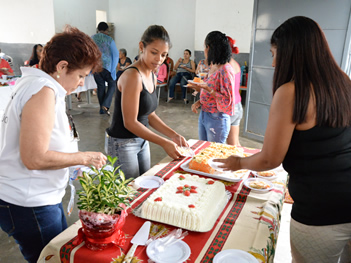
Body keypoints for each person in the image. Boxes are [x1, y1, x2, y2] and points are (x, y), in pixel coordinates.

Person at [214, 16, 351, 263]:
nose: (275, 62)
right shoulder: (344, 82)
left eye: (275, 53)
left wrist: (238, 163)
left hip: (320, 210)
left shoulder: (292, 92)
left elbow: (269, 159)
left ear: (292, 53)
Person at [0, 26, 107, 263]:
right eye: (80, 76)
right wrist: (84, 158)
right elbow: (34, 158)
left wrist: (70, 163)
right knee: (51, 258)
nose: (81, 83)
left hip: (40, 196)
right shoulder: (43, 91)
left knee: (58, 251)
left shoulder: (40, 86)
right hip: (29, 202)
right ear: (61, 67)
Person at [106, 25, 188, 179]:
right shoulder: (132, 76)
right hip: (123, 143)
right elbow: (130, 122)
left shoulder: (151, 75)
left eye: (164, 55)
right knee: (129, 193)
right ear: (141, 47)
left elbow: (149, 115)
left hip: (142, 140)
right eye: (154, 53)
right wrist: (164, 142)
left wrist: (173, 135)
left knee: (142, 186)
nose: (159, 60)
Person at [189, 31, 235, 143]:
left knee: (214, 156)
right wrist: (200, 101)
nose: (204, 50)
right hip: (205, 114)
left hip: (217, 118)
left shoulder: (225, 70)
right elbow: (212, 92)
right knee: (203, 150)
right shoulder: (213, 66)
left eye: (205, 46)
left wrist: (207, 89)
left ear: (210, 48)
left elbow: (227, 99)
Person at [92, 22, 119, 116]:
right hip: (107, 66)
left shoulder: (91, 39)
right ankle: (105, 105)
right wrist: (113, 69)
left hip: (95, 67)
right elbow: (116, 55)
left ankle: (102, 109)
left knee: (101, 86)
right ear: (107, 30)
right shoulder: (109, 39)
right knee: (112, 84)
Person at [227, 37, 242, 146]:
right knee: (235, 144)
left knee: (230, 146)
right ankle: (245, 162)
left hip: (229, 108)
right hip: (238, 106)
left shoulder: (226, 66)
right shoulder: (235, 63)